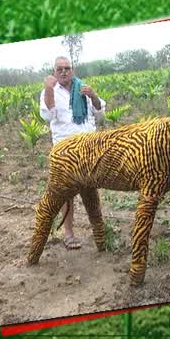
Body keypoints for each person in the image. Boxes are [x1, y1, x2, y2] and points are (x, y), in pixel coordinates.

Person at [39, 56, 105, 250]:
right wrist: (49, 89)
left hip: (88, 149)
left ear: (73, 70)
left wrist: (93, 95)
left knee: (90, 190)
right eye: (59, 69)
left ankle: (99, 233)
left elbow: (100, 113)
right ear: (54, 72)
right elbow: (48, 115)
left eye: (67, 68)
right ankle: (68, 234)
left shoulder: (83, 88)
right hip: (66, 152)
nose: (64, 72)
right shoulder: (48, 91)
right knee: (66, 195)